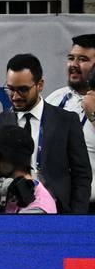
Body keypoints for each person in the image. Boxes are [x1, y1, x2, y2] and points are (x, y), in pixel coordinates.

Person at [0, 53, 91, 215]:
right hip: (11, 215)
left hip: (59, 215)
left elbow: (82, 175)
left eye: (23, 90)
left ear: (40, 85)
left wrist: (76, 219)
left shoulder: (66, 121)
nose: (15, 96)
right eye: (10, 89)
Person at [44, 34, 95, 208]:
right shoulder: (55, 99)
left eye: (83, 59)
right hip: (56, 206)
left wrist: (93, 114)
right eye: (71, 58)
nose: (73, 65)